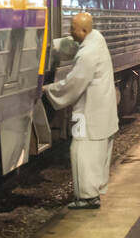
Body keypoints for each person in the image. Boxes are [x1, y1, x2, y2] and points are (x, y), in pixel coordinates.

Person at [44, 12, 118, 210]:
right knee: (95, 155)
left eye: (73, 29)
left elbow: (74, 83)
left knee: (81, 152)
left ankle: (86, 197)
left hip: (89, 112)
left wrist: (49, 90)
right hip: (100, 110)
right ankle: (92, 193)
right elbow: (74, 44)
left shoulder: (87, 55)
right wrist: (51, 46)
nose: (70, 32)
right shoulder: (96, 39)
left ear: (84, 31)